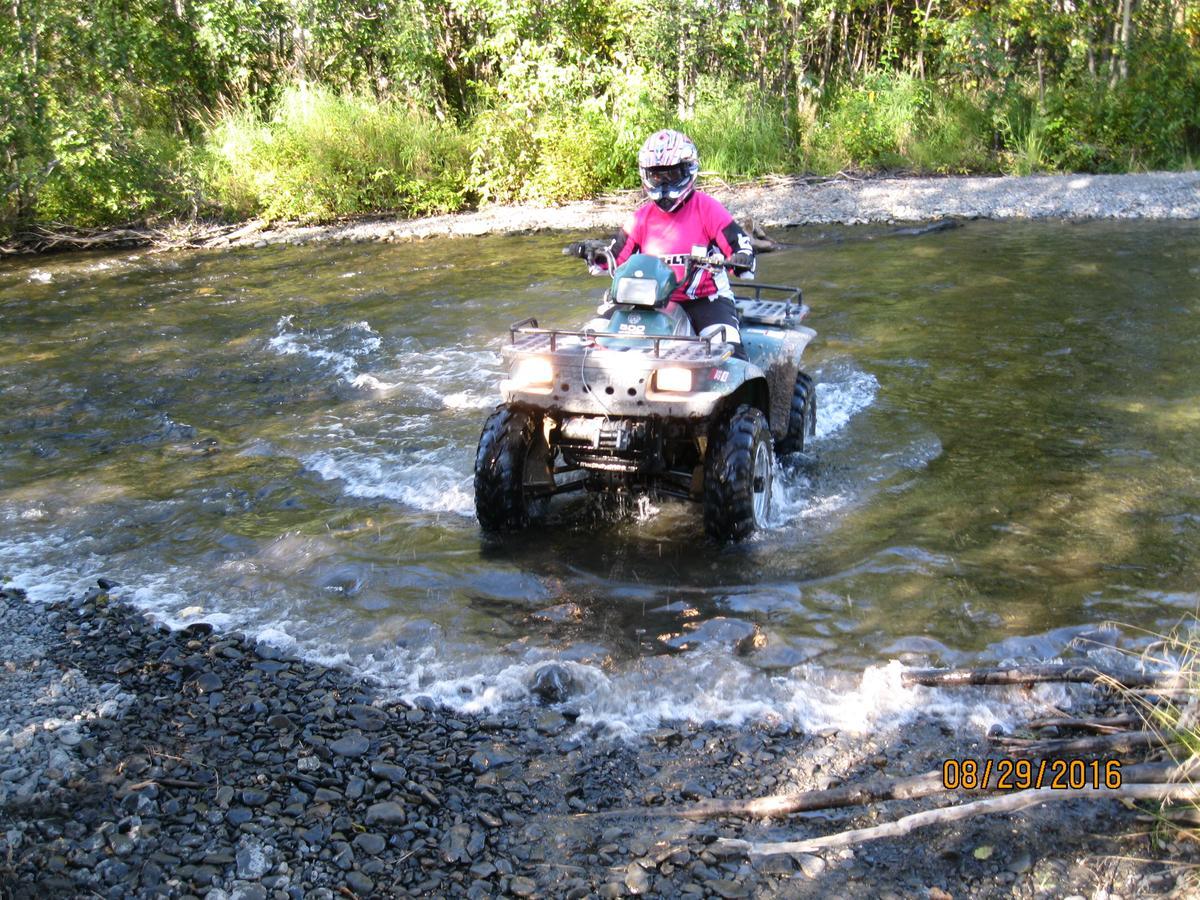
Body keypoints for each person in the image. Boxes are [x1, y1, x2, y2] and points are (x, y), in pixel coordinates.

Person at [566, 129, 756, 358]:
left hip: (703, 299)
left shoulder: (708, 210)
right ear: (646, 176)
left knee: (728, 353)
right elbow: (615, 256)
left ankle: (748, 391)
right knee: (582, 345)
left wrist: (741, 258)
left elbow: (739, 244)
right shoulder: (640, 218)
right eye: (657, 176)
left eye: (671, 174)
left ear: (688, 170)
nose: (664, 183)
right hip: (645, 301)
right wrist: (594, 254)